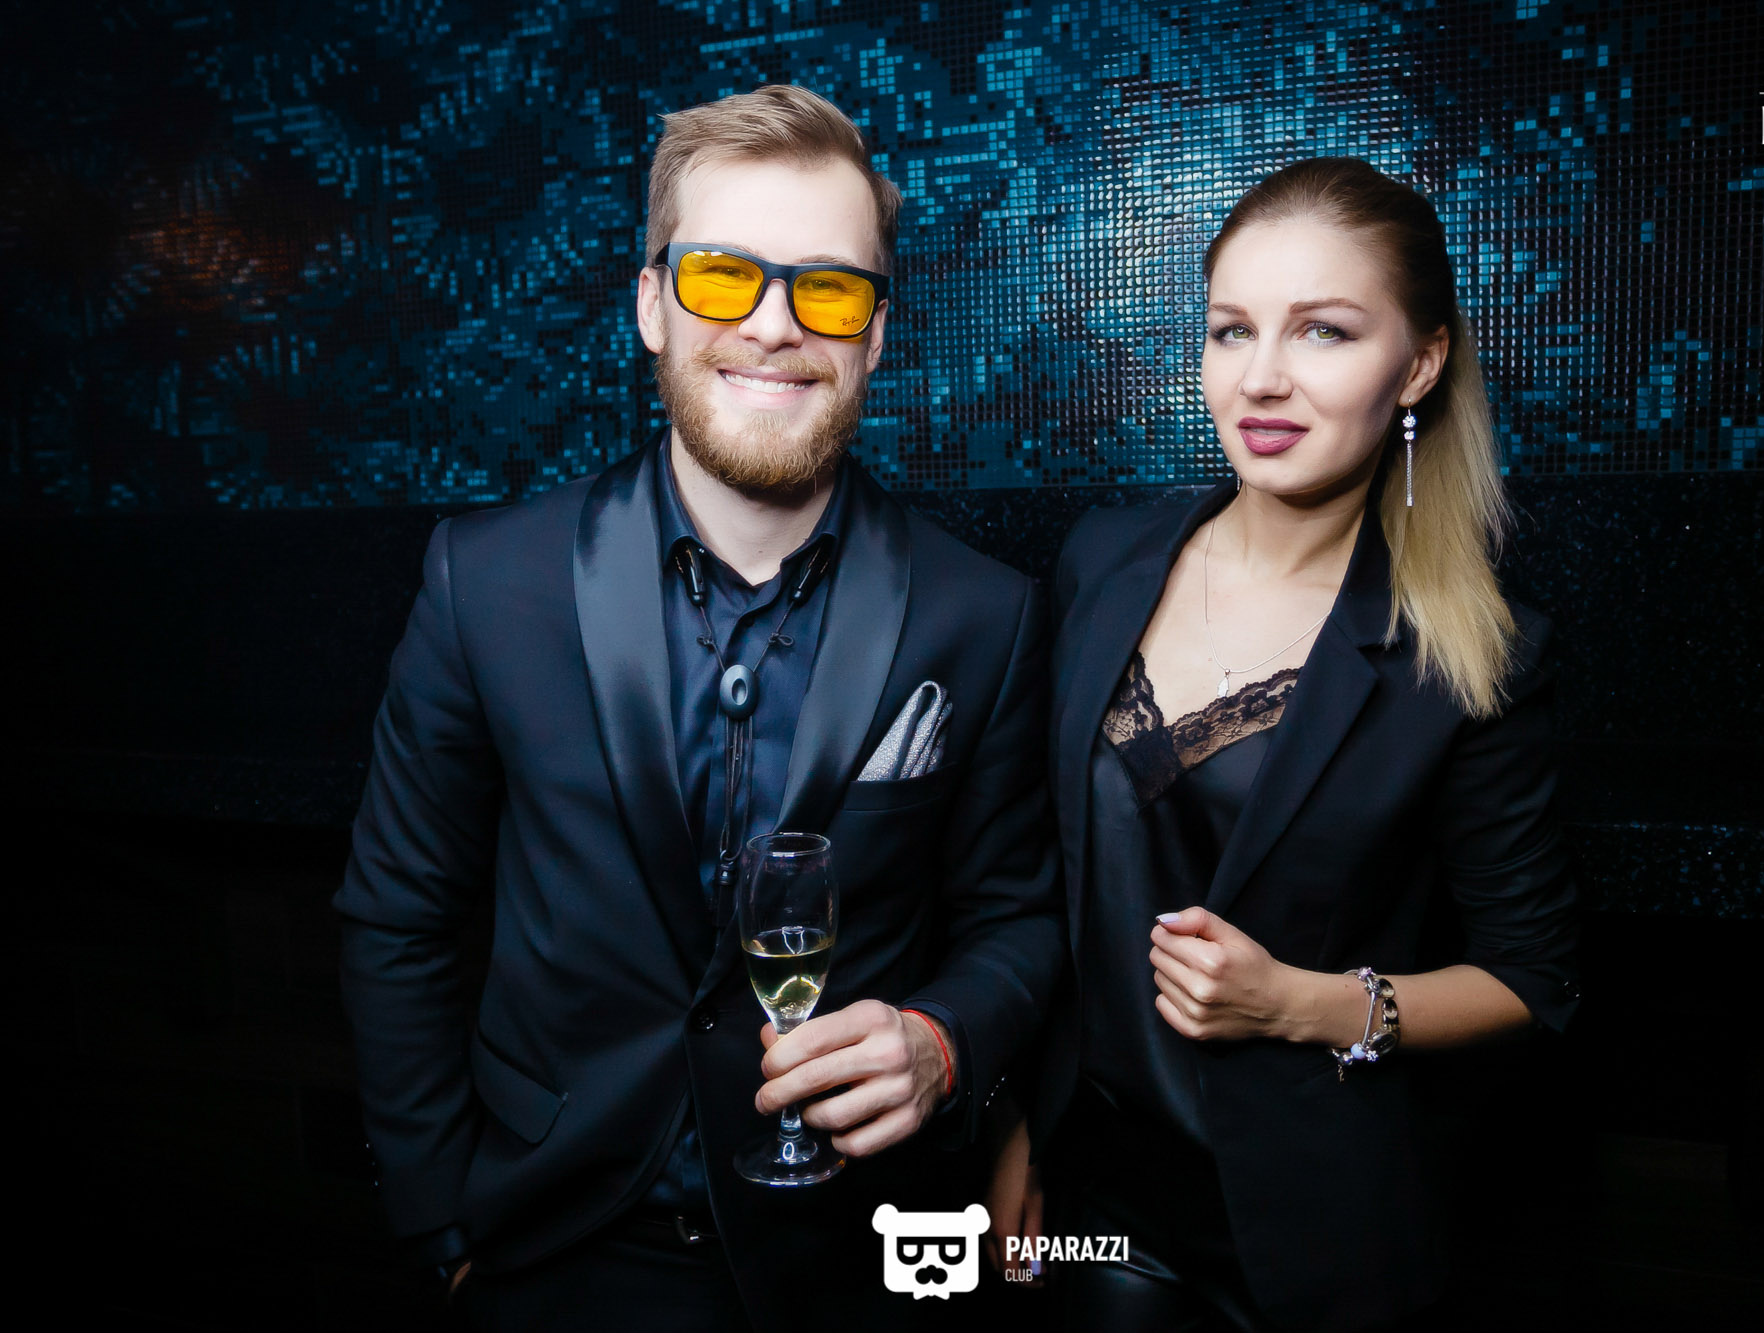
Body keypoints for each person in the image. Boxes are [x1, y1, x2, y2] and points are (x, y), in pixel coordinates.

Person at [335, 84, 1062, 1330]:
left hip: (858, 1265)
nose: (775, 326)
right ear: (650, 304)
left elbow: (1019, 919)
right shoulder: (484, 582)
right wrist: (440, 1223)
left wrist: (943, 1042)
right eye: (724, 276)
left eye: (828, 289)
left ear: (875, 333)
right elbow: (398, 916)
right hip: (553, 1250)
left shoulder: (983, 613)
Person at [987, 158, 1581, 1331]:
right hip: (1099, 1186)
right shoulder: (1100, 557)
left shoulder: (1471, 653)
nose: (1260, 376)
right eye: (1232, 329)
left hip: (1314, 1220)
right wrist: (1007, 1126)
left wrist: (1297, 1005)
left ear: (1417, 364)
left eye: (1323, 331)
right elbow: (1028, 878)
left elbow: (1532, 978)